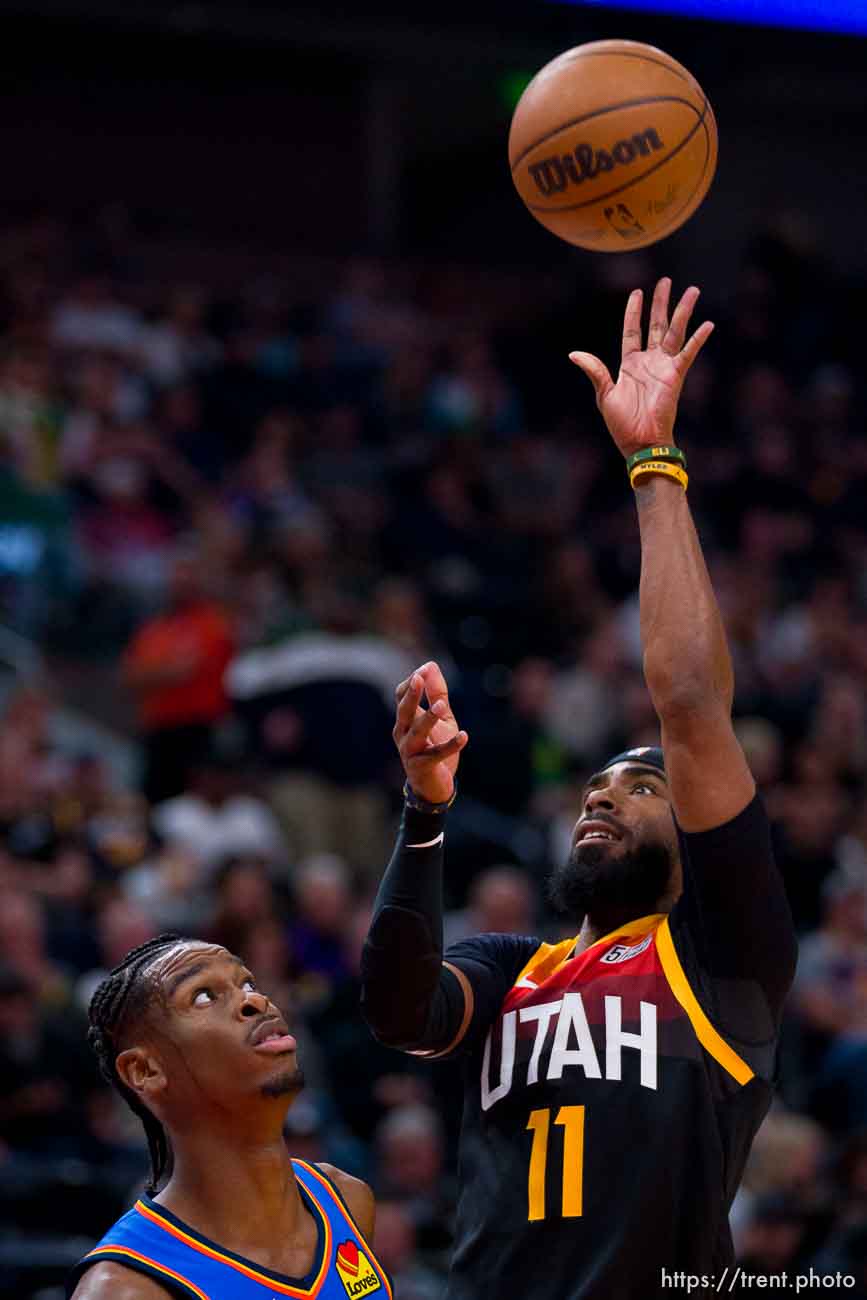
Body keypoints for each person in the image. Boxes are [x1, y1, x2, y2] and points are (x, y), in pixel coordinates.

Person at [360, 279, 798, 1300]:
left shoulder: (725, 955)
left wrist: (653, 465)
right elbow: (397, 1007)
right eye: (594, 786)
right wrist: (426, 810)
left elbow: (688, 701)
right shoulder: (516, 967)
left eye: (638, 787)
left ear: (693, 834)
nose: (601, 797)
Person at [68, 933, 390, 1299]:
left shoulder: (347, 1200)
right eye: (203, 996)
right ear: (145, 1070)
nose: (254, 1000)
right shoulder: (125, 1289)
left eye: (248, 983)